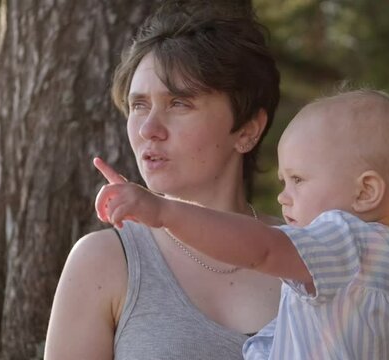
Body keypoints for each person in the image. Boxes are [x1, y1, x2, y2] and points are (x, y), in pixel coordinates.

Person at [94, 89, 389, 359]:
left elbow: (261, 248)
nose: (284, 197)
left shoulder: (347, 243)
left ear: (365, 192)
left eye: (298, 180)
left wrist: (164, 213)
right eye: (283, 182)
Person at [44, 2, 282, 359]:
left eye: (179, 103)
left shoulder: (303, 253)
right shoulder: (105, 262)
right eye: (139, 105)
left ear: (248, 129)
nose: (148, 129)